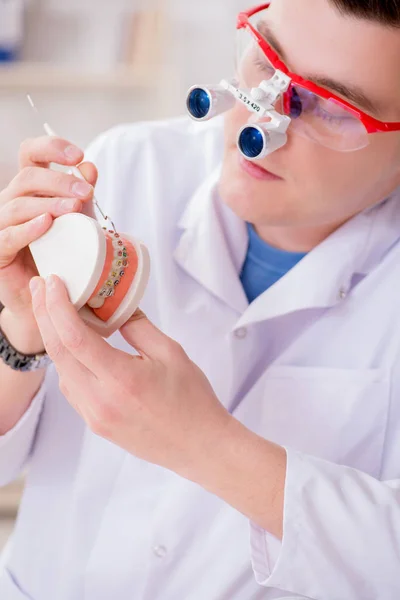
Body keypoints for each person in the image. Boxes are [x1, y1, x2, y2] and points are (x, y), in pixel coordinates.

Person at [0, 0, 399, 598]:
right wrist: (21, 335)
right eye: (266, 59)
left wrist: (205, 446)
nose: (259, 126)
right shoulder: (128, 164)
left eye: (330, 107)